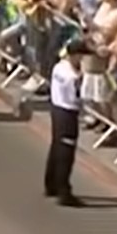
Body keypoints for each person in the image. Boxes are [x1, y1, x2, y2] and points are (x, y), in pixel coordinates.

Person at [44, 40, 85, 205]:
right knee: (66, 153)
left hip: (56, 109)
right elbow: (76, 97)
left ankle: (51, 184)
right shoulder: (73, 77)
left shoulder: (58, 67)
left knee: (56, 147)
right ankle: (64, 191)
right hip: (68, 113)